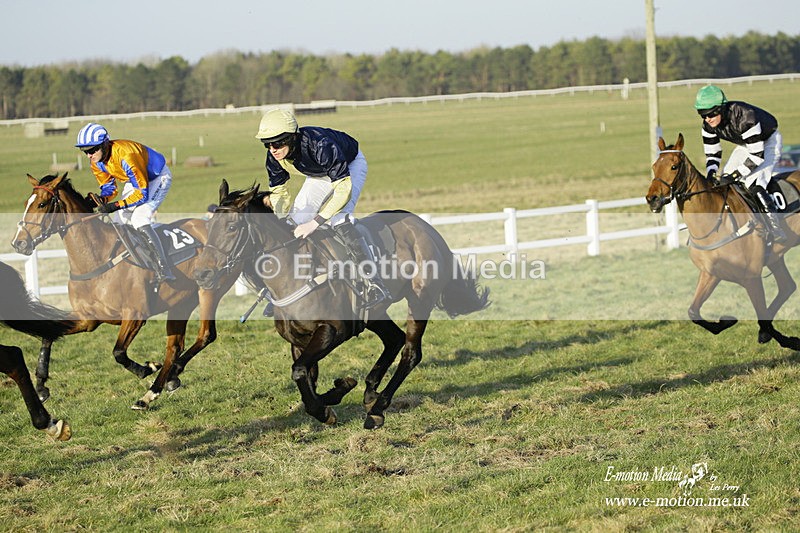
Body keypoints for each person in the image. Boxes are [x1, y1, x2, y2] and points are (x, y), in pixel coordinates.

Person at [255, 107, 389, 308]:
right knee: (293, 220)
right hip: (318, 174)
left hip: (349, 166)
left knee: (338, 219)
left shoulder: (320, 145)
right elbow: (280, 194)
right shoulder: (274, 158)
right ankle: (288, 287)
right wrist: (280, 218)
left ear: (292, 137)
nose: (272, 149)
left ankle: (373, 283)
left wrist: (316, 222)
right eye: (267, 144)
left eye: (277, 142)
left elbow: (343, 190)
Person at [75, 123, 176, 282]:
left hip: (157, 178)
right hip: (135, 180)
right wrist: (100, 200)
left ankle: (164, 267)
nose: (89, 155)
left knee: (139, 218)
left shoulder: (126, 155)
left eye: (92, 150)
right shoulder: (96, 162)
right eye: (85, 151)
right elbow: (109, 189)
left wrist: (115, 205)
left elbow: (141, 195)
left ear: (105, 145)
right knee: (119, 221)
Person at [694, 85, 787, 243]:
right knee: (724, 184)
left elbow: (757, 156)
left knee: (754, 183)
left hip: (767, 143)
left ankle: (775, 228)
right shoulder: (708, 126)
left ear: (721, 109)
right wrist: (711, 173)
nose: (707, 119)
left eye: (710, 114)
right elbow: (713, 154)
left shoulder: (745, 117)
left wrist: (734, 175)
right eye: (702, 114)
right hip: (745, 145)